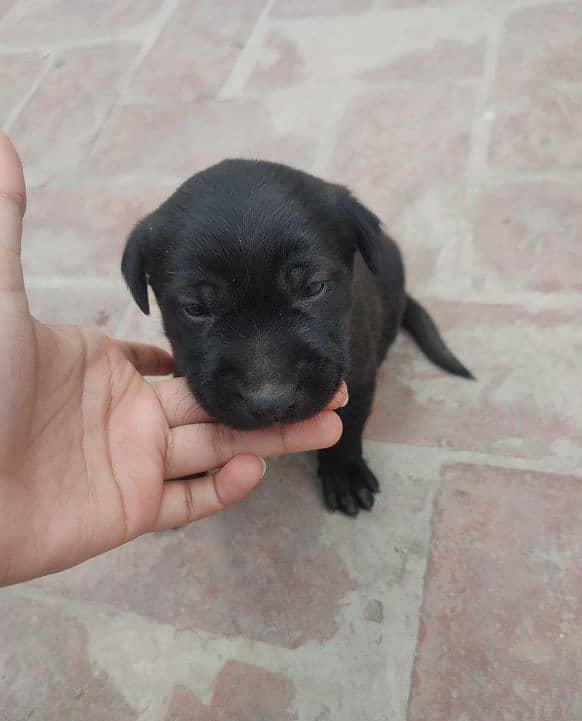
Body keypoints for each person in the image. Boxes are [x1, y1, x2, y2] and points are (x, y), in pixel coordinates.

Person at [0, 132, 345, 587]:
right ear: (150, 293)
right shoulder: (153, 244)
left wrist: (345, 460)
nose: (269, 388)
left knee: (348, 404)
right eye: (198, 308)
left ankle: (344, 458)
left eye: (312, 287)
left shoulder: (339, 221)